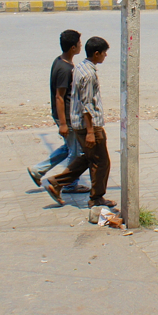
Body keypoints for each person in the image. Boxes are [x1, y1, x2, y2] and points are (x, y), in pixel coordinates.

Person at [44, 36, 116, 222]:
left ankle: (56, 183)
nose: (105, 56)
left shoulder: (80, 67)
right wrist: (91, 131)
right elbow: (87, 104)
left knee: (88, 158)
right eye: (104, 53)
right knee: (101, 162)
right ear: (96, 53)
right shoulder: (88, 74)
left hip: (77, 123)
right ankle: (96, 198)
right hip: (88, 125)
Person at [27, 29, 86, 193]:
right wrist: (63, 124)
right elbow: (59, 97)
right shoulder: (64, 69)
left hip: (65, 116)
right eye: (79, 43)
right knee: (76, 152)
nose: (81, 45)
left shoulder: (60, 61)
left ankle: (38, 170)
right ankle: (69, 184)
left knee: (68, 148)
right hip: (67, 117)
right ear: (73, 47)